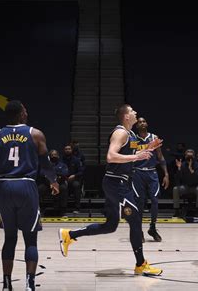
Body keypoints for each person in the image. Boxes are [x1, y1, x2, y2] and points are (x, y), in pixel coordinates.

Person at [59, 104, 163, 276]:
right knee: (135, 219)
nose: (136, 112)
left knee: (110, 226)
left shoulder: (129, 134)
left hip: (118, 183)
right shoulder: (120, 132)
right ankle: (141, 264)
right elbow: (111, 156)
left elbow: (130, 149)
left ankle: (69, 235)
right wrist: (137, 156)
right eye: (132, 111)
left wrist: (148, 147)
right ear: (126, 116)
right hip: (117, 184)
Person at [0, 100, 60, 291]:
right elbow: (46, 165)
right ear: (22, 114)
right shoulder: (35, 134)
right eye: (25, 109)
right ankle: (29, 284)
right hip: (26, 185)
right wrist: (53, 181)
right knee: (30, 239)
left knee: (9, 238)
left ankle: (7, 283)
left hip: (5, 187)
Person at [133, 117, 169, 242]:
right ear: (136, 125)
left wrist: (166, 174)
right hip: (137, 173)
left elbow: (160, 156)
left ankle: (152, 227)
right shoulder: (133, 138)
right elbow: (131, 156)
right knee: (140, 203)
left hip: (152, 172)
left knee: (155, 200)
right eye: (139, 122)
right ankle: (138, 230)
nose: (142, 123)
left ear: (147, 123)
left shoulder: (154, 137)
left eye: (144, 121)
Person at [173, 149, 198, 218]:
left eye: (191, 156)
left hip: (196, 186)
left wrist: (191, 170)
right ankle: (177, 210)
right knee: (175, 189)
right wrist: (179, 168)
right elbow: (178, 178)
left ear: (194, 156)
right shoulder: (182, 164)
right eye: (188, 156)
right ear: (185, 156)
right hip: (186, 186)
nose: (189, 158)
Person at [62, 144, 84, 213]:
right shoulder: (61, 160)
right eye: (66, 149)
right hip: (63, 180)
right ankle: (63, 208)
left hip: (74, 179)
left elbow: (81, 171)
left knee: (76, 185)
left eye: (69, 149)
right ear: (64, 150)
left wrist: (74, 175)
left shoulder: (76, 160)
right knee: (63, 187)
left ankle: (77, 208)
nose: (67, 150)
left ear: (71, 150)